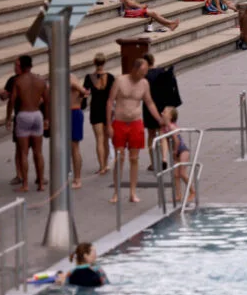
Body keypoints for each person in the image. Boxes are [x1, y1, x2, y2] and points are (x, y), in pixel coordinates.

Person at [105, 57, 162, 203]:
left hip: (135, 122)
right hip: (120, 122)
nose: (143, 75)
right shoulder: (120, 80)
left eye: (145, 72)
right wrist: (108, 125)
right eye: (142, 72)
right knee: (120, 157)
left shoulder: (144, 83)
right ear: (135, 69)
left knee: (134, 158)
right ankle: (116, 192)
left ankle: (132, 192)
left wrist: (159, 119)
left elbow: (149, 102)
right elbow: (110, 102)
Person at [9, 55, 48, 192]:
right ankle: (41, 183)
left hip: (24, 114)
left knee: (23, 153)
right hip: (37, 114)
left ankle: (25, 184)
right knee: (38, 152)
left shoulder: (18, 81)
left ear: (21, 66)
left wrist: (8, 117)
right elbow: (47, 101)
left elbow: (12, 100)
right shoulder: (40, 80)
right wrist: (47, 119)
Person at [83, 53, 116, 175]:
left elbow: (85, 93)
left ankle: (101, 166)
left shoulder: (89, 77)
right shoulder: (110, 77)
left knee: (99, 139)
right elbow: (114, 93)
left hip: (95, 108)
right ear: (104, 62)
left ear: (94, 62)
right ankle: (106, 164)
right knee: (106, 139)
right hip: (107, 109)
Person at [0, 57, 25, 186]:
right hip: (24, 116)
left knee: (32, 148)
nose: (15, 68)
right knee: (20, 148)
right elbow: (7, 98)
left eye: (17, 65)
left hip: (26, 116)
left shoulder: (28, 80)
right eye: (15, 65)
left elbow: (10, 100)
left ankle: (36, 177)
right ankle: (20, 175)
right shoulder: (12, 80)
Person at [163, 107, 195, 203]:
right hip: (176, 151)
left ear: (170, 116)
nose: (162, 113)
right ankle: (178, 195)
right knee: (176, 175)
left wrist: (175, 151)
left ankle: (192, 191)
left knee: (182, 173)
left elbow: (176, 140)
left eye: (164, 112)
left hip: (182, 150)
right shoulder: (165, 127)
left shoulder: (172, 127)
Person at [68, 74, 90, 189]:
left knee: (74, 147)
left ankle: (77, 178)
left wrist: (80, 92)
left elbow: (85, 92)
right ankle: (71, 175)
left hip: (73, 112)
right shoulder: (68, 77)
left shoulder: (71, 78)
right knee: (69, 147)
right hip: (67, 112)